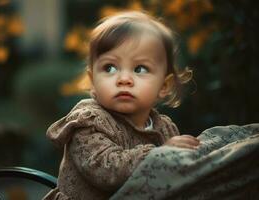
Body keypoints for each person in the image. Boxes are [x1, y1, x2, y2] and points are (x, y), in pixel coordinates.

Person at [43, 11, 200, 200]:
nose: (124, 79)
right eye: (110, 68)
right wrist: (160, 154)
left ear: (163, 86)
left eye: (140, 69)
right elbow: (106, 169)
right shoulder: (89, 121)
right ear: (93, 80)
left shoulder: (165, 128)